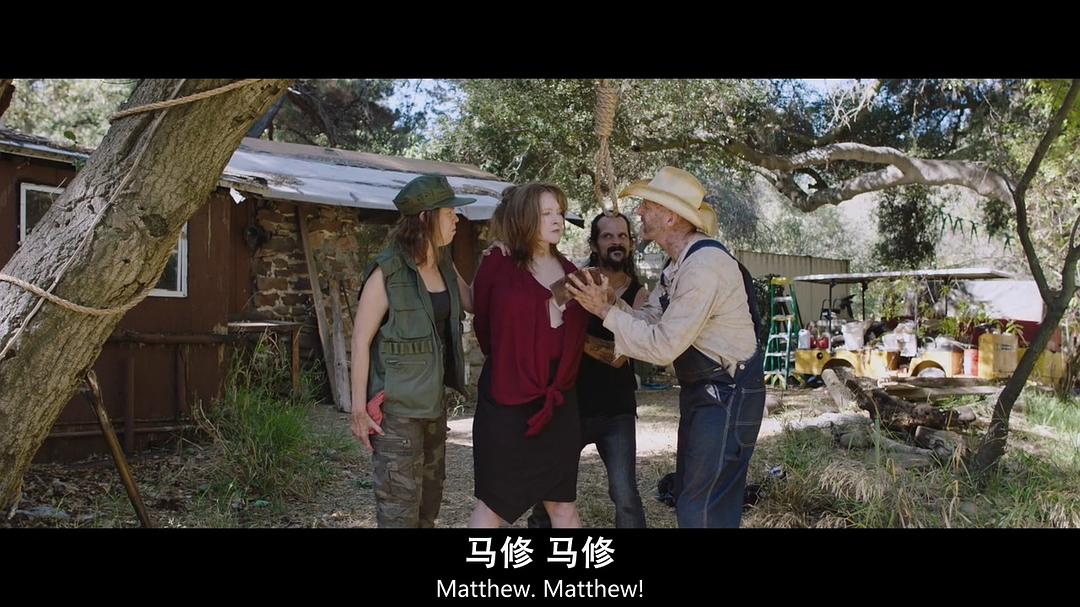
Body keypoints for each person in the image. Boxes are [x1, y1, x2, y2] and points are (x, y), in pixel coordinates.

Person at [567, 166, 764, 528]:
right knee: (695, 495)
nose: (640, 211)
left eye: (648, 205)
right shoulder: (678, 264)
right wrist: (611, 301)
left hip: (727, 394)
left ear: (671, 217)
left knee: (702, 505)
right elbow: (652, 319)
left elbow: (663, 346)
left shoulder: (703, 267)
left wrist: (605, 312)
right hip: (708, 392)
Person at [349, 174, 475, 528]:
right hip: (397, 412)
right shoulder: (387, 271)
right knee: (398, 513)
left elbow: (473, 302)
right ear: (424, 217)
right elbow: (360, 341)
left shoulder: (445, 264)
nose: (456, 219)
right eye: (449, 213)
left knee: (427, 509)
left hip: (434, 408)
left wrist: (504, 256)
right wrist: (358, 410)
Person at [467, 182, 589, 528]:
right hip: (506, 401)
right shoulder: (499, 263)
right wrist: (516, 360)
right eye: (546, 213)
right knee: (493, 505)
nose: (557, 220)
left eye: (559, 212)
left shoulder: (572, 272)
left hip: (558, 404)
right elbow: (484, 325)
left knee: (563, 505)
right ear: (524, 218)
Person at [528, 210, 649, 528]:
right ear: (595, 244)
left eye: (622, 236)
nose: (616, 242)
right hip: (571, 405)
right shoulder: (576, 281)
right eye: (608, 236)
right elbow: (542, 314)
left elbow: (621, 355)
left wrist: (573, 339)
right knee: (550, 490)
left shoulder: (640, 294)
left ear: (630, 243)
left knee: (625, 494)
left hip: (617, 410)